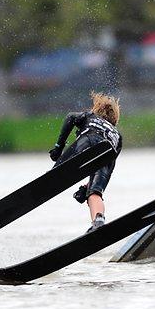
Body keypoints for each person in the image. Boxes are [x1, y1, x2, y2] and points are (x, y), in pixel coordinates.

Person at [49, 92, 122, 233]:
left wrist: (59, 147)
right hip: (106, 153)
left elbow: (70, 117)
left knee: (57, 173)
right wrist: (89, 187)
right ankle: (98, 220)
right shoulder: (117, 135)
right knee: (95, 194)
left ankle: (52, 175)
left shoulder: (90, 116)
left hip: (88, 141)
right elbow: (108, 167)